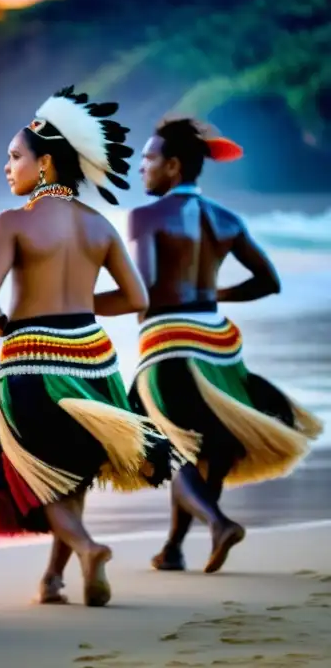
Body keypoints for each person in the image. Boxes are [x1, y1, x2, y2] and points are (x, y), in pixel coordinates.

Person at [0, 86, 170, 608]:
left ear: (45, 164)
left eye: (15, 157)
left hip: (32, 360)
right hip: (92, 357)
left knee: (30, 464)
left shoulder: (11, 223)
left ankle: (85, 548)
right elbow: (136, 298)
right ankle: (56, 578)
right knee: (74, 465)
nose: (7, 167)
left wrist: (2, 323)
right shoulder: (98, 224)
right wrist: (81, 303)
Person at [127, 117, 323, 574]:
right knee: (209, 451)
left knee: (175, 449)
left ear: (173, 166)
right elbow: (268, 281)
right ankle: (173, 549)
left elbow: (146, 289)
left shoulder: (145, 216)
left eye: (148, 160)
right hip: (219, 346)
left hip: (170, 345)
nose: (142, 169)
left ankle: (218, 523)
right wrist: (212, 295)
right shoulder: (226, 219)